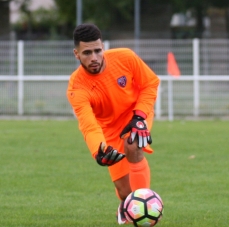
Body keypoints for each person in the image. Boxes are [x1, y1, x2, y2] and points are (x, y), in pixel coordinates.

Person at [66, 23, 160, 225]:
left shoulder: (125, 57)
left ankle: (144, 208)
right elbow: (89, 125)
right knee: (124, 190)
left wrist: (139, 116)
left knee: (133, 143)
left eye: (98, 51)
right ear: (76, 54)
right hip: (108, 129)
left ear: (103, 47)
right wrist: (98, 151)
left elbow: (150, 83)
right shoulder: (77, 87)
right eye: (87, 53)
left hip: (136, 114)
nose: (94, 58)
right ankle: (127, 203)